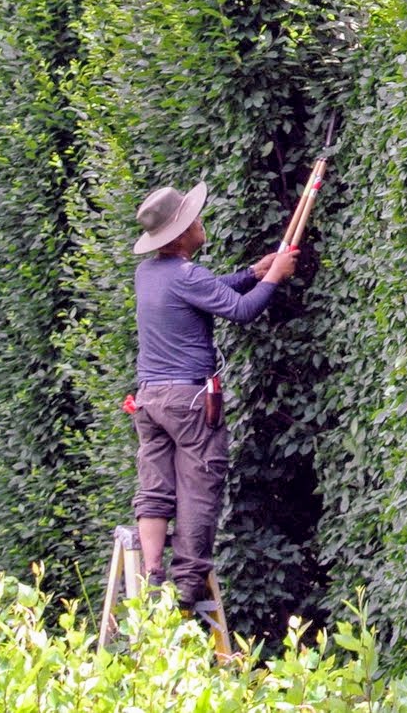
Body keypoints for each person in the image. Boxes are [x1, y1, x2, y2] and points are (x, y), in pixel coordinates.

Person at [127, 180, 296, 611]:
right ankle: (185, 591)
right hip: (188, 401)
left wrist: (253, 274)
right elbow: (240, 311)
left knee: (156, 488)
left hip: (149, 401)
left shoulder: (148, 274)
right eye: (193, 218)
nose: (200, 221)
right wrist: (274, 278)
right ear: (182, 233)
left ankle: (151, 576)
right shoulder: (188, 275)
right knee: (200, 487)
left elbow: (204, 293)